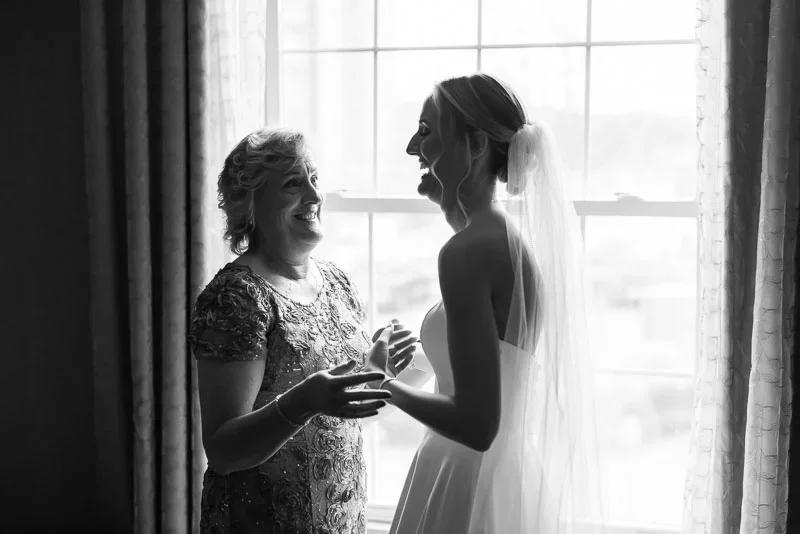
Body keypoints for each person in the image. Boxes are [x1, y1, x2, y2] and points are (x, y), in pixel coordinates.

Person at [368, 74, 605, 533]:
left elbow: (476, 424)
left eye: (426, 130)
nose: (412, 148)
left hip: (466, 480)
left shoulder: (469, 251)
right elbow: (496, 366)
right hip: (500, 476)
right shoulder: (501, 243)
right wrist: (414, 361)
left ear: (475, 144)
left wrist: (382, 385)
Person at [188, 128, 424, 533]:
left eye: (315, 179)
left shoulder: (338, 283)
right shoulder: (236, 297)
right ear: (250, 202)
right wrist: (302, 401)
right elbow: (224, 450)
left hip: (341, 519)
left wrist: (377, 373)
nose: (314, 197)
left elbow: (339, 423)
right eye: (294, 184)